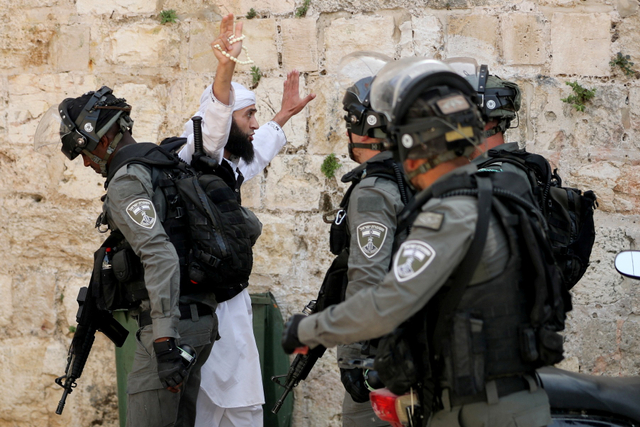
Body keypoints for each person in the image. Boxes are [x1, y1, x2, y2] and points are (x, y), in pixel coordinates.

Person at [281, 58, 554, 427]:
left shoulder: (448, 216)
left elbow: (385, 302)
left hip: (475, 409)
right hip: (517, 397)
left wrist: (307, 330)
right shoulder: (499, 197)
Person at [34, 86, 218, 427]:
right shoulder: (163, 165)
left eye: (85, 152)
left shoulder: (126, 182)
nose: (87, 163)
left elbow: (160, 255)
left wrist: (163, 340)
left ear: (103, 141)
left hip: (170, 329)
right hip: (197, 321)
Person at [177, 14, 315, 427]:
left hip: (229, 307)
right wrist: (226, 69)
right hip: (203, 308)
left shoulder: (227, 169)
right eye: (249, 114)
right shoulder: (199, 155)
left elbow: (259, 149)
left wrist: (285, 114)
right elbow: (217, 120)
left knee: (238, 405)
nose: (255, 123)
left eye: (257, 114)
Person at [329, 52, 411, 427]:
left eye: (349, 123)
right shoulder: (419, 177)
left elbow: (366, 275)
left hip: (385, 355)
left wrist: (350, 356)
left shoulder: (374, 190)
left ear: (363, 128)